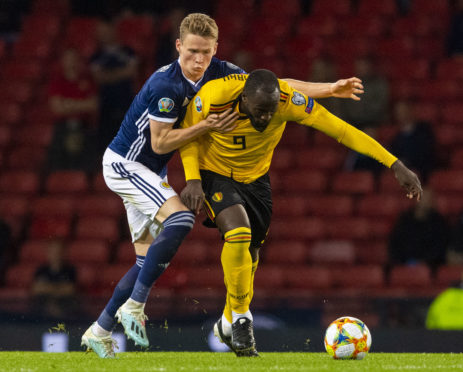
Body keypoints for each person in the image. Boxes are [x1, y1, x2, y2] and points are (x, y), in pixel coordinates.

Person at [80, 12, 366, 359]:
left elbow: (279, 86)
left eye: (205, 52)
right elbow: (159, 144)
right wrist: (206, 127)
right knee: (182, 220)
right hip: (128, 164)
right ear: (178, 46)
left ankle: (99, 329)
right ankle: (135, 306)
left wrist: (330, 89)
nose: (198, 60)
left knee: (145, 262)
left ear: (216, 48)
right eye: (191, 52)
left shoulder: (223, 72)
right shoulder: (165, 86)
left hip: (153, 173)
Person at [179, 69, 422, 356]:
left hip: (256, 179)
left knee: (251, 255)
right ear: (244, 98)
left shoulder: (288, 101)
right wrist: (192, 178)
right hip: (214, 173)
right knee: (239, 232)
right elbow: (188, 135)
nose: (266, 118)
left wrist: (394, 164)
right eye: (260, 111)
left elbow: (341, 130)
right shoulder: (215, 96)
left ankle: (228, 321)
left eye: (271, 112)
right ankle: (243, 321)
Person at [90, 20, 139, 155]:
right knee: (107, 147)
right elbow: (99, 78)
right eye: (100, 32)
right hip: (106, 106)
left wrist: (109, 76)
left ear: (113, 30)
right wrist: (122, 73)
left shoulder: (128, 52)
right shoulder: (96, 56)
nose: (103, 34)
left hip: (127, 103)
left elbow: (132, 72)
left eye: (106, 30)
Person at [388, 187, 450, 272]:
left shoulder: (439, 222)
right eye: (423, 197)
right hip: (404, 265)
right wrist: (405, 261)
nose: (426, 201)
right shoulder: (404, 220)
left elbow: (440, 247)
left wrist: (425, 262)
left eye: (429, 199)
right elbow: (395, 244)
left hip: (431, 268)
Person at [389, 100, 436, 183]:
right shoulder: (396, 138)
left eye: (403, 111)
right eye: (398, 112)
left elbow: (428, 153)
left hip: (423, 175)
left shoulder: (424, 130)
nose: (401, 115)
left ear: (410, 111)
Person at [31, 240, 77, 319]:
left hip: (65, 310)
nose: (56, 255)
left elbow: (70, 290)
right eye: (53, 251)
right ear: (48, 253)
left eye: (59, 252)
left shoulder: (70, 270)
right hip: (41, 311)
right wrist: (59, 289)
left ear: (64, 253)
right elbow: (35, 289)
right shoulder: (41, 270)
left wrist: (46, 288)